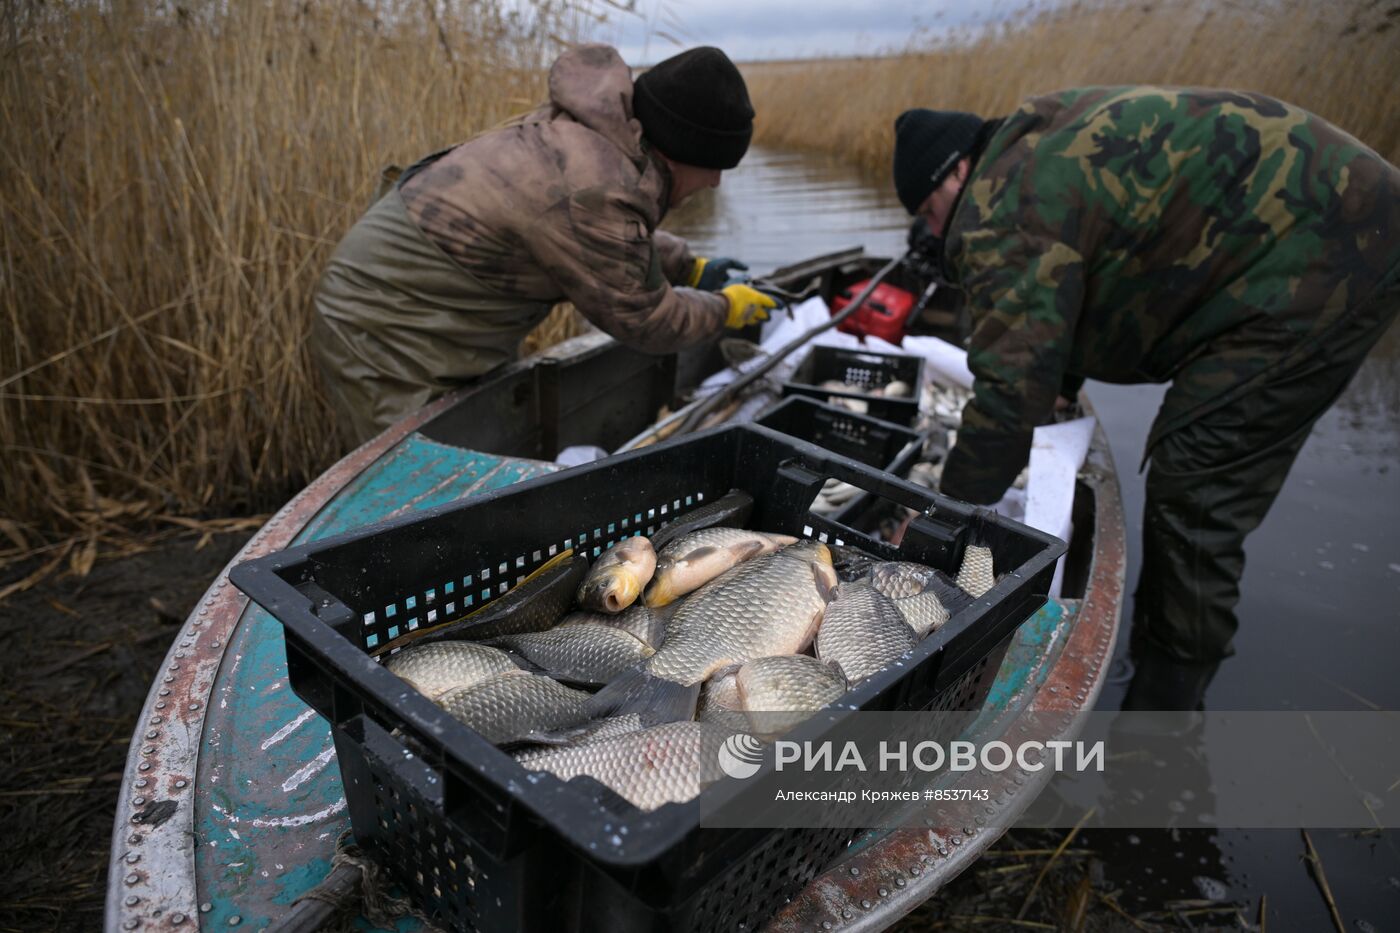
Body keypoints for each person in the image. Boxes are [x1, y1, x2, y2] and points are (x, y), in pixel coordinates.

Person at [890, 88, 1400, 710]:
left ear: (956, 173)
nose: (936, 234)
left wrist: (947, 516)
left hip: (1332, 246)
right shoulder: (1031, 147)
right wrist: (1058, 385)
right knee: (1190, 470)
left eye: (931, 213)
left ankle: (1166, 708)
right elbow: (1074, 284)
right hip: (1330, 224)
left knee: (1197, 482)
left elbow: (1009, 383)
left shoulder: (1003, 201)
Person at [312, 44, 775, 444]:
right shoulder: (593, 185)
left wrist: (687, 267)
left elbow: (608, 236)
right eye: (713, 167)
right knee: (415, 492)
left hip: (443, 314)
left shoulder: (601, 140)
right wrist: (725, 309)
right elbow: (647, 320)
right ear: (679, 148)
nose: (714, 183)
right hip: (385, 327)